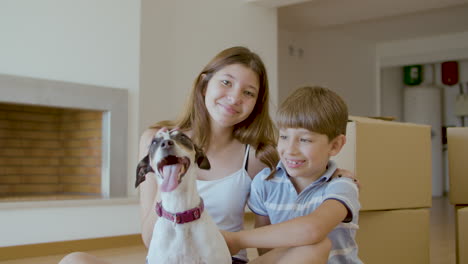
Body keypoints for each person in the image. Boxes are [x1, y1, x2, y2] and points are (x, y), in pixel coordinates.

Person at [59, 47, 353, 264]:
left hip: (225, 259)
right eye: (226, 82)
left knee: (314, 247)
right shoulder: (155, 141)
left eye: (248, 93)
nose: (235, 97)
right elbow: (150, 239)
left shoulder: (259, 154)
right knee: (75, 261)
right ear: (204, 84)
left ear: (256, 103)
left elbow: (303, 168)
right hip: (166, 258)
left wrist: (336, 174)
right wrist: (169, 172)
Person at [222, 86, 362, 264]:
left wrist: (236, 240)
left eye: (304, 140)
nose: (290, 150)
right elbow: (267, 251)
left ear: (335, 145)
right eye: (284, 137)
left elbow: (312, 230)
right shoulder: (265, 183)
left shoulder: (342, 186)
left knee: (315, 244)